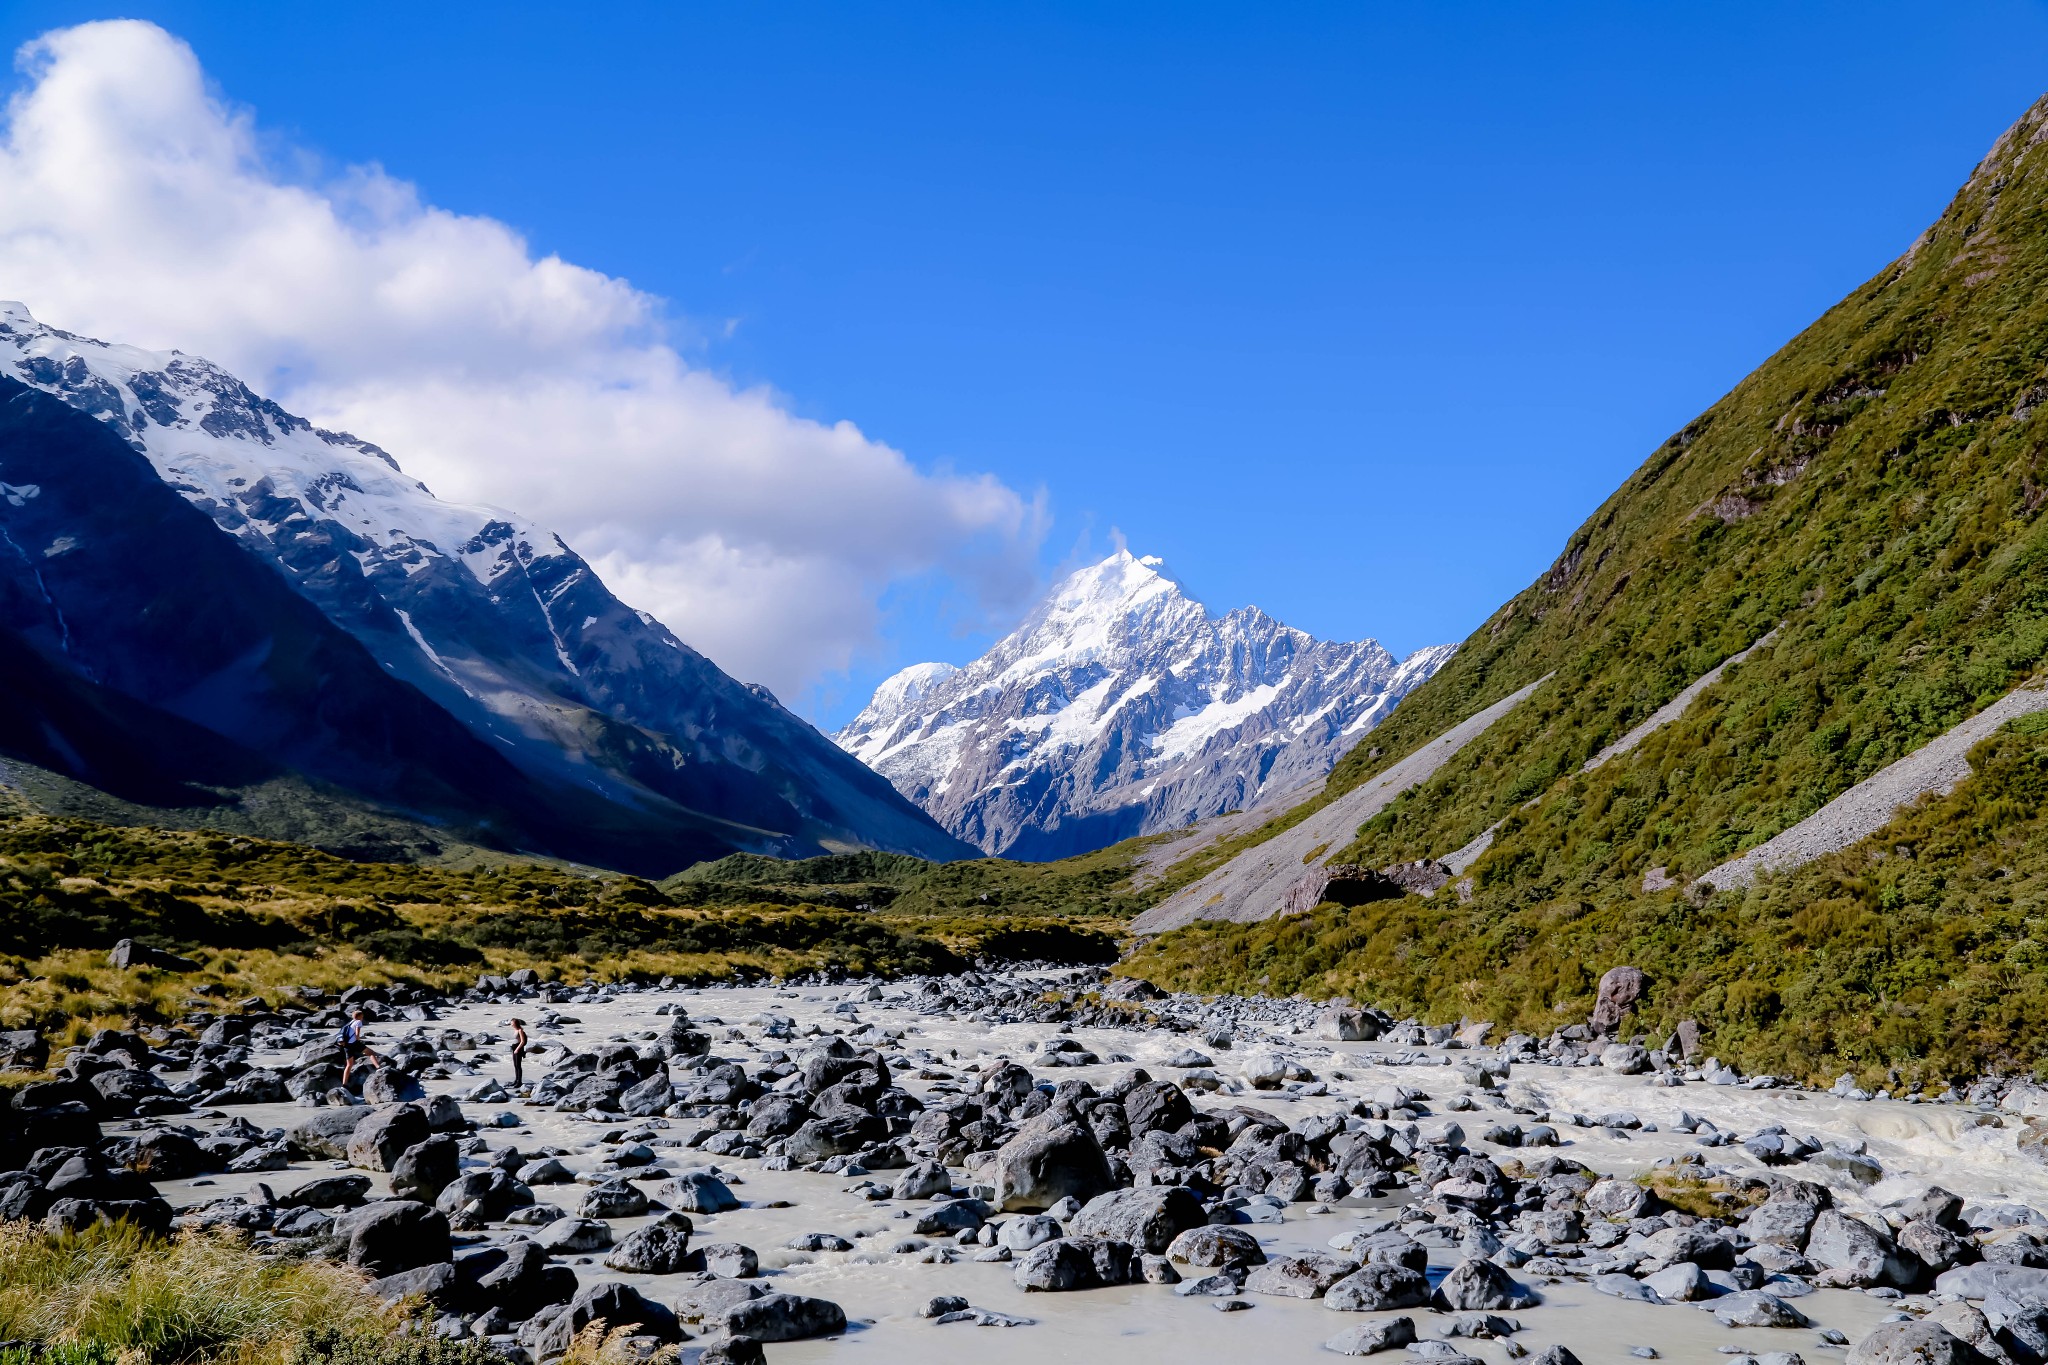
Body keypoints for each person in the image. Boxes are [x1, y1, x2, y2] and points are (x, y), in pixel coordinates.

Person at [339, 1008, 381, 1086]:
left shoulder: (349, 1023)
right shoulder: (358, 1022)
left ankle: (344, 1084)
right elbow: (357, 1034)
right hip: (354, 1043)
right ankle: (378, 1068)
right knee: (371, 1053)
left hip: (347, 1045)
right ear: (359, 1016)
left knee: (349, 1065)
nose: (362, 1018)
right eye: (362, 1016)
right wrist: (359, 1038)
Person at [509, 1018, 530, 1088]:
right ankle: (516, 1080)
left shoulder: (520, 1030)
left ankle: (519, 1082)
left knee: (518, 1066)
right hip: (514, 1048)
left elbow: (523, 1041)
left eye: (512, 1023)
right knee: (515, 1065)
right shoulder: (515, 1030)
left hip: (519, 1049)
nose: (511, 1024)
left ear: (515, 1023)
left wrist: (517, 1049)